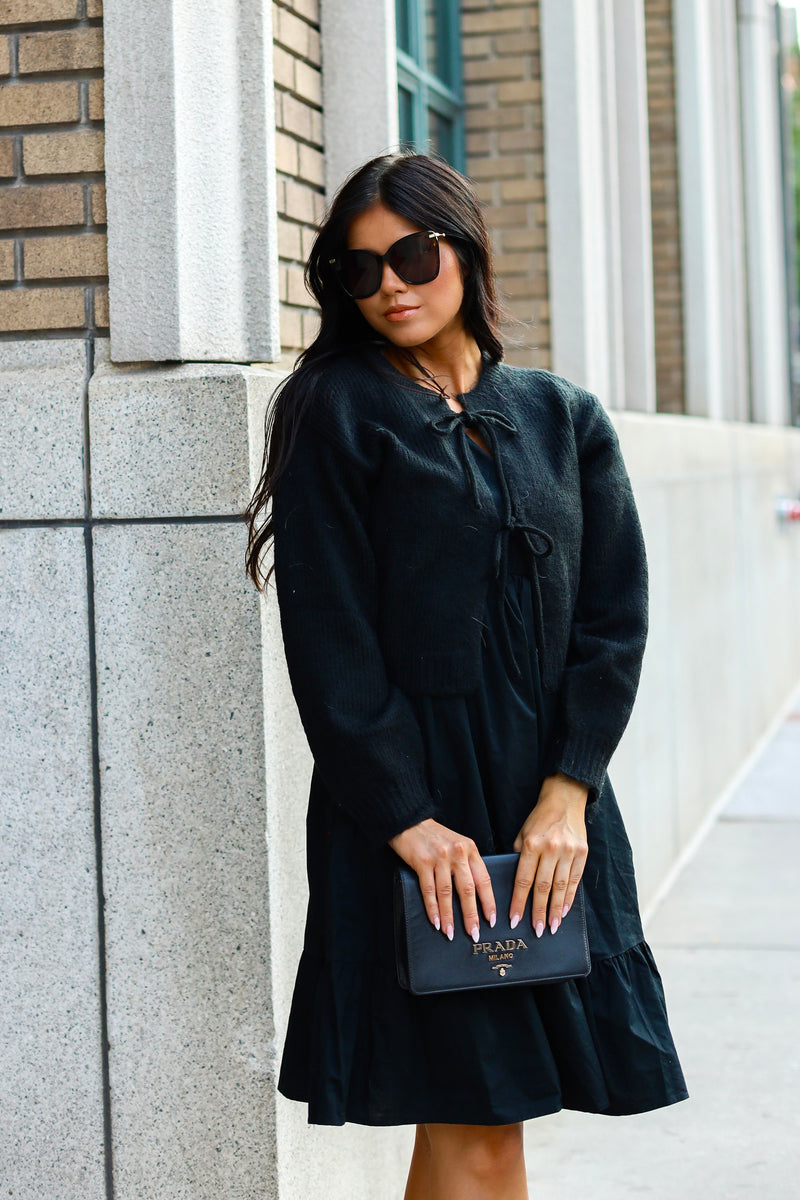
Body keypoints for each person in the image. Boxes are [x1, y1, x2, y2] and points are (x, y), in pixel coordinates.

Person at [245, 151, 688, 1200]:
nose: (389, 285)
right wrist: (405, 818)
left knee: (474, 1126)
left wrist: (569, 792)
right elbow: (331, 643)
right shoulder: (333, 409)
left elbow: (612, 619)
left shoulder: (562, 416)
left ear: (465, 247)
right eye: (358, 270)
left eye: (410, 255)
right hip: (417, 820)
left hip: (544, 822)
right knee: (481, 1129)